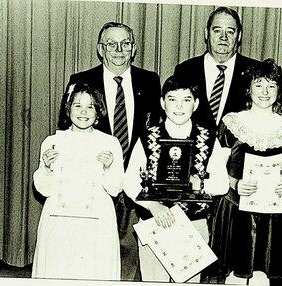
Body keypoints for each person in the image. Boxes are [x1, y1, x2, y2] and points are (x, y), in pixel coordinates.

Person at [57, 22, 162, 280]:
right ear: (100, 49)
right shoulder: (80, 81)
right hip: (92, 185)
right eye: (111, 44)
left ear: (134, 48)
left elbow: (156, 132)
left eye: (125, 43)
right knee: (90, 249)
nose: (118, 50)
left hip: (134, 179)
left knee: (129, 248)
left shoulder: (150, 81)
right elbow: (64, 129)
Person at [124, 75, 229, 283]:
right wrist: (154, 206)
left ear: (196, 104)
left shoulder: (208, 138)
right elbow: (129, 182)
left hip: (194, 224)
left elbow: (222, 184)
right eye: (172, 99)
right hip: (154, 222)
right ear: (162, 103)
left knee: (189, 281)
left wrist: (200, 184)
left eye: (186, 100)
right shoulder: (147, 137)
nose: (179, 106)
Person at [210, 59, 282, 286]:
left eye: (271, 85)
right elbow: (216, 170)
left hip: (274, 215)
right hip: (235, 210)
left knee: (265, 277)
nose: (265, 91)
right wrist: (234, 183)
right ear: (248, 88)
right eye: (259, 84)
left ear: (279, 91)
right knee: (234, 276)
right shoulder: (231, 123)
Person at [32, 83, 124, 280]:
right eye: (77, 106)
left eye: (90, 106)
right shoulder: (52, 142)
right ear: (68, 109)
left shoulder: (110, 143)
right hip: (59, 220)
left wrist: (108, 168)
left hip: (97, 222)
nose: (83, 112)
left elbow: (116, 188)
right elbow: (43, 189)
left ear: (98, 112)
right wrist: (47, 168)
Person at [173, 7, 259, 134]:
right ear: (207, 34)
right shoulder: (185, 70)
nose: (223, 37)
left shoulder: (254, 71)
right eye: (217, 30)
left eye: (230, 32)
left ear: (239, 36)